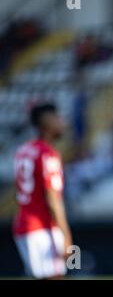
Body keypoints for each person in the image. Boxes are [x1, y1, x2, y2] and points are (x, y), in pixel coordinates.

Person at [13, 103, 72, 279]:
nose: (63, 123)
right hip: (42, 227)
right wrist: (66, 235)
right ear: (48, 123)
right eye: (58, 118)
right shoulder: (48, 154)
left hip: (24, 225)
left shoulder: (23, 150)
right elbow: (53, 198)